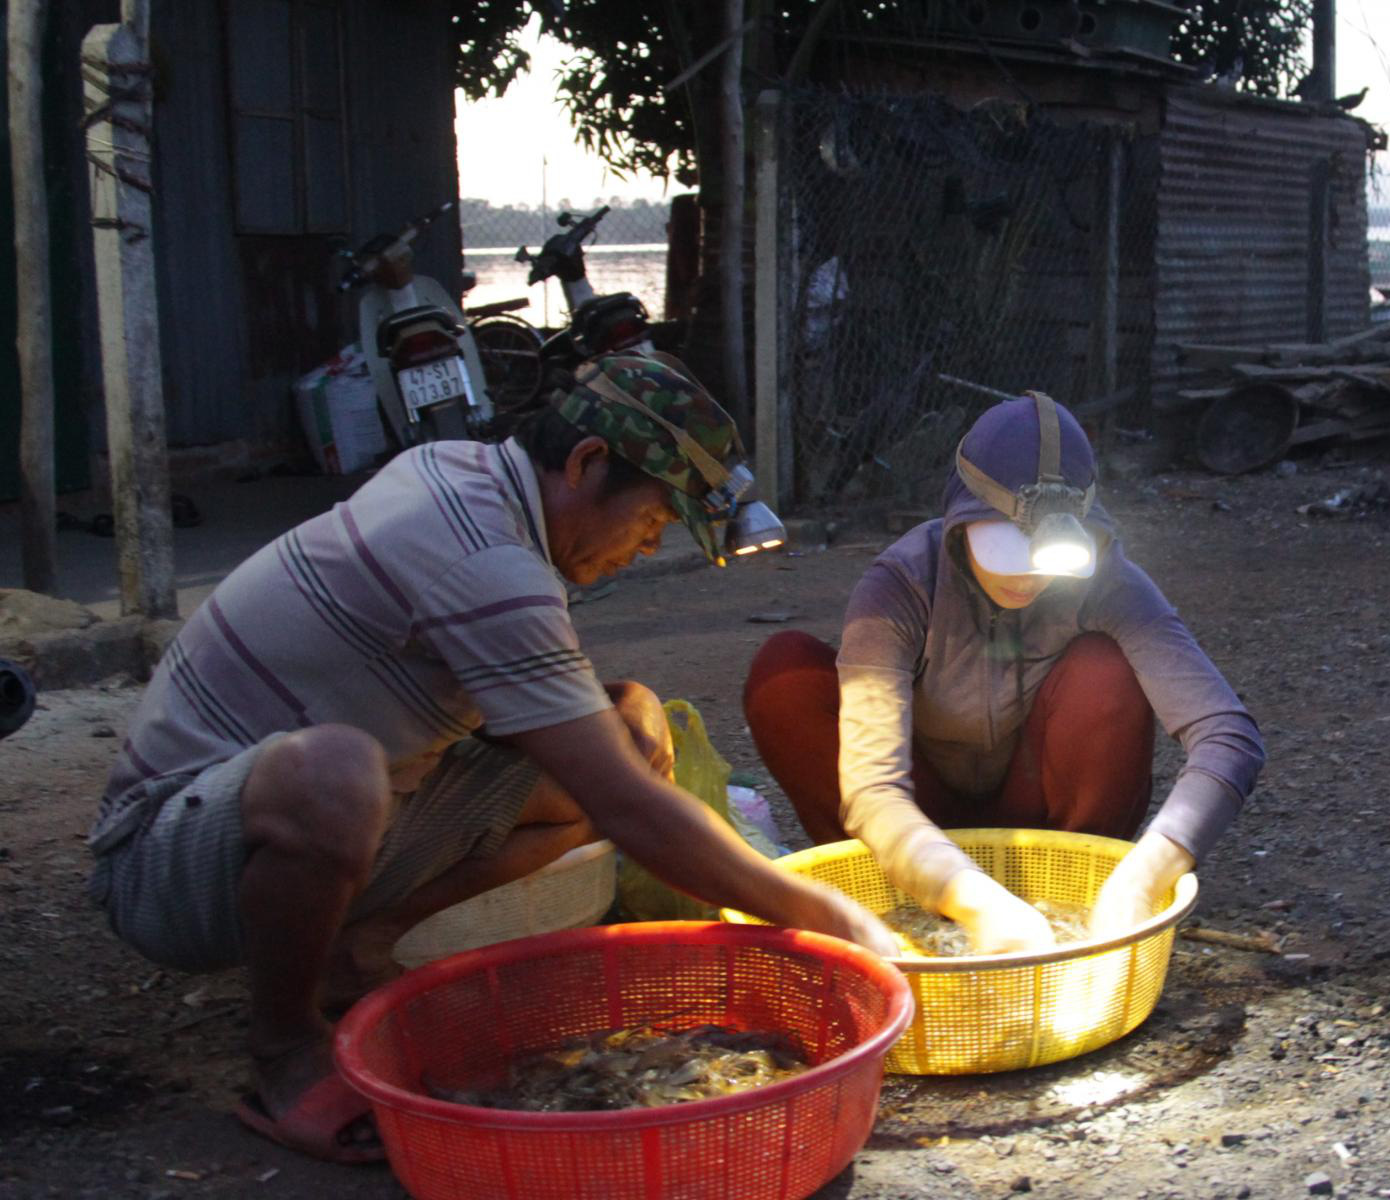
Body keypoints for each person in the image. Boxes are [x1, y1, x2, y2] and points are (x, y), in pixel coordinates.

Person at [86, 351, 893, 1164]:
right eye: (652, 520)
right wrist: (830, 917)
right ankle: (285, 1047)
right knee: (339, 773)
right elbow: (627, 807)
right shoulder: (484, 555)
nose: (650, 547)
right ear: (585, 464)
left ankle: (347, 957)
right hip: (161, 854)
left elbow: (557, 734)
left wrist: (629, 707)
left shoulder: (464, 476)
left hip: (293, 809)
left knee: (600, 756)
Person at [743, 392, 1264, 953]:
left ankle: (1079, 892)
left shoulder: (1108, 579)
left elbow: (1227, 735)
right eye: (1006, 550)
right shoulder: (903, 583)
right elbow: (874, 788)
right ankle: (894, 886)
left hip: (1043, 816)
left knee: (1105, 671)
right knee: (786, 675)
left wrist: (1143, 876)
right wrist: (972, 898)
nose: (1028, 580)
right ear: (959, 519)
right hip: (919, 812)